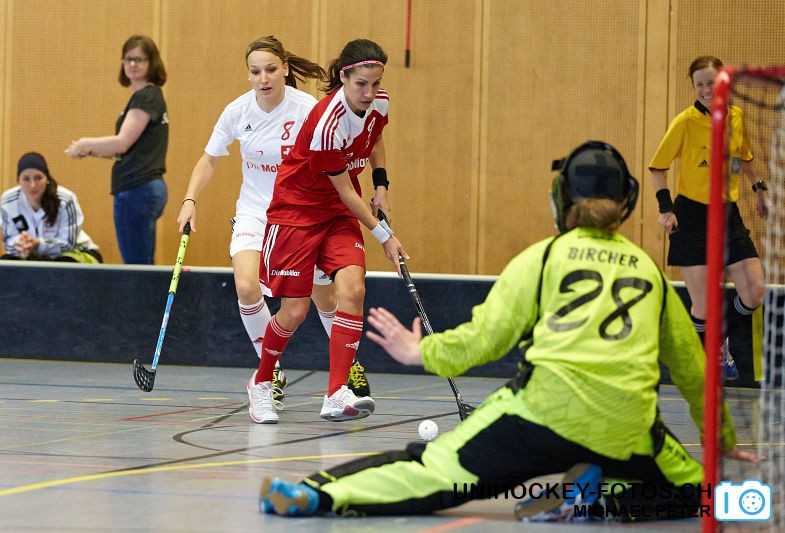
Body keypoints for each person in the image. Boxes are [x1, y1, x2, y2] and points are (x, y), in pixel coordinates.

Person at [257, 141, 757, 521]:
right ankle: (605, 498)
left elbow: (482, 341)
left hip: (537, 417)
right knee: (703, 490)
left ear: (561, 199)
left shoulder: (541, 259)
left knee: (429, 472)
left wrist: (423, 352)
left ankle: (316, 493)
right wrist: (724, 438)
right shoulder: (650, 271)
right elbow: (695, 367)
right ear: (626, 202)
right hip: (625, 428)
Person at [175, 36, 370, 419]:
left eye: (269, 70)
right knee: (247, 286)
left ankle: (347, 367)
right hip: (255, 214)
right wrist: (189, 199)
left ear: (284, 68)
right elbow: (209, 160)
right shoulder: (237, 111)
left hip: (301, 215)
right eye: (254, 72)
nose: (262, 78)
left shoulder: (307, 109)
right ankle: (270, 373)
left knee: (321, 297)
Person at [248, 38, 406, 424]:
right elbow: (344, 190)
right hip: (297, 213)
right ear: (343, 78)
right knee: (295, 310)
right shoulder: (325, 122)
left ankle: (336, 393)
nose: (369, 93)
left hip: (337, 215)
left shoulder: (377, 101)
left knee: (353, 289)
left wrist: (381, 185)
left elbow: (375, 138)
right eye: (361, 85)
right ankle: (261, 382)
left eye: (375, 83)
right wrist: (384, 236)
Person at [649, 55, 768, 383]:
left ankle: (722, 338)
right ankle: (708, 354)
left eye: (711, 83)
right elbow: (658, 168)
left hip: (728, 214)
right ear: (693, 87)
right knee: (704, 305)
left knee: (755, 291)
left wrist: (758, 187)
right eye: (699, 84)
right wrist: (665, 209)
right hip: (692, 216)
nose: (705, 89)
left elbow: (742, 158)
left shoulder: (737, 117)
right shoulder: (684, 122)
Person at [65, 34, 169, 265]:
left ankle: (144, 303)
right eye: (128, 59)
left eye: (139, 59)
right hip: (143, 188)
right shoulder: (144, 97)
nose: (132, 64)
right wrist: (91, 152)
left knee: (137, 268)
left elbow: (122, 142)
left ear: (152, 62)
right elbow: (124, 150)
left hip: (137, 189)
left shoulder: (147, 97)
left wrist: (85, 142)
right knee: (140, 264)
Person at [2, 152, 102, 263]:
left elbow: (68, 244)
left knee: (62, 266)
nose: (33, 185)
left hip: (76, 252)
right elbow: (8, 242)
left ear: (47, 179)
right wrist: (20, 243)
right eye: (26, 179)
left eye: (38, 178)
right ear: (18, 181)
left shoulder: (66, 199)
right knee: (7, 263)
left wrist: (38, 243)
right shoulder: (8, 200)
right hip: (33, 254)